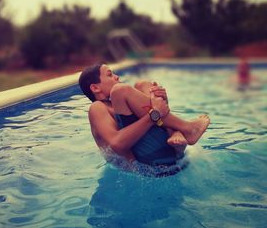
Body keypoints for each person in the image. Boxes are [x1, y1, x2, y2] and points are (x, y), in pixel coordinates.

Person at [78, 64, 210, 166]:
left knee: (144, 85)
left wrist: (162, 101)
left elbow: (157, 116)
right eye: (110, 75)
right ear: (95, 88)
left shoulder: (119, 105)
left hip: (169, 155)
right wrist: (154, 114)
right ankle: (187, 128)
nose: (117, 77)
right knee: (120, 90)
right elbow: (117, 145)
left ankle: (177, 133)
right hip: (144, 165)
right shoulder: (98, 108)